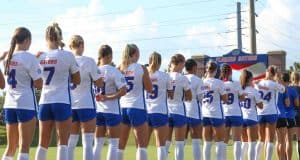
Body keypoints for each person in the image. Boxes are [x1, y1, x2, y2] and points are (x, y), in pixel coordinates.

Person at [35, 23, 81, 160]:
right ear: (60, 37)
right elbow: (77, 80)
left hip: (44, 101)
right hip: (62, 101)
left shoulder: (39, 56)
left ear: (46, 37)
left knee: (42, 144)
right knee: (63, 143)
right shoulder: (67, 55)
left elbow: (36, 81)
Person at [1, 27, 42, 160]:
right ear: (27, 40)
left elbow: (19, 64)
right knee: (24, 148)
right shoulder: (29, 58)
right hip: (26, 104)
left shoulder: (7, 56)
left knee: (10, 147)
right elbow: (39, 84)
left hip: (9, 104)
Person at [67, 35, 103, 160]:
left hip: (70, 104)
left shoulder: (67, 60)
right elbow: (99, 83)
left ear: (70, 46)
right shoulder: (89, 61)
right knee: (87, 143)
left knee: (70, 143)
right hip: (86, 104)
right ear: (82, 45)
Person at [118, 44, 152, 160]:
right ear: (136, 53)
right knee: (141, 146)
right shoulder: (141, 68)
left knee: (120, 146)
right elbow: (149, 88)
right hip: (137, 107)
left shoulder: (120, 68)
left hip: (122, 107)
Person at [93, 44, 127, 160]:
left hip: (97, 110)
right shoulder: (113, 71)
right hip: (112, 110)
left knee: (98, 144)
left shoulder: (94, 70)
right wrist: (108, 97)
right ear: (109, 56)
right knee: (113, 144)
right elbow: (123, 91)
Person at [145, 52, 173, 160]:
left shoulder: (144, 74)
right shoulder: (165, 76)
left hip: (146, 112)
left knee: (142, 146)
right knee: (161, 145)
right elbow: (171, 95)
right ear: (160, 62)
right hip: (160, 111)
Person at [254, 65, 285, 160]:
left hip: (260, 113)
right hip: (271, 112)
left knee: (261, 139)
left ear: (267, 71)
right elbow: (283, 89)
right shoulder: (274, 84)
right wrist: (279, 78)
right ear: (274, 74)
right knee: (270, 140)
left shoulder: (258, 83)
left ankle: (255, 158)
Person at [166, 54, 192, 160]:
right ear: (180, 63)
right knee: (179, 144)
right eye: (183, 64)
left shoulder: (165, 75)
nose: (184, 66)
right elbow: (189, 97)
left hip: (166, 111)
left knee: (165, 144)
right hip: (179, 111)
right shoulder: (183, 78)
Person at [201, 61, 227, 160]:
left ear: (206, 69)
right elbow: (225, 99)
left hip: (204, 113)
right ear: (216, 70)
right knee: (219, 141)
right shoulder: (219, 83)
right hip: (216, 113)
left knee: (207, 143)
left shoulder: (201, 82)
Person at [220, 64, 244, 160]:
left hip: (224, 114)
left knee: (224, 141)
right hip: (236, 113)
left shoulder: (220, 84)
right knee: (237, 140)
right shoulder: (236, 84)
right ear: (231, 72)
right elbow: (242, 98)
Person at [239, 69, 263, 160]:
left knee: (244, 143)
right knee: (252, 143)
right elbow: (260, 106)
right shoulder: (253, 91)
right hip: (251, 118)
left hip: (241, 118)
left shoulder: (239, 90)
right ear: (249, 79)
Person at [184, 58, 203, 160]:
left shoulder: (181, 78)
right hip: (194, 110)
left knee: (180, 141)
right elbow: (201, 98)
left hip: (182, 110)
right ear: (194, 67)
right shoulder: (198, 80)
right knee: (196, 140)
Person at [282, 72, 299, 160]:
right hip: (291, 116)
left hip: (280, 117)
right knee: (289, 140)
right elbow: (297, 104)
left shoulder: (279, 89)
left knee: (281, 141)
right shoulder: (292, 90)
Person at [274, 72, 289, 160]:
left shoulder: (272, 87)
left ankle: (278, 158)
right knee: (283, 141)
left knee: (278, 141)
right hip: (282, 115)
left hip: (273, 115)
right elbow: (287, 104)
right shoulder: (282, 88)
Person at [291, 71, 300, 159]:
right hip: (298, 115)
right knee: (298, 139)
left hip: (288, 116)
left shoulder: (288, 88)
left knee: (286, 139)